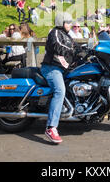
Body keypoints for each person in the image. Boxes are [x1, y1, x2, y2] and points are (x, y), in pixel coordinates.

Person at [41, 12, 78, 144]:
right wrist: (72, 50)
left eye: (70, 21)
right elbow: (57, 46)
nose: (70, 24)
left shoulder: (68, 36)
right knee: (60, 91)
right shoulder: (55, 32)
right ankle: (51, 127)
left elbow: (75, 47)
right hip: (51, 68)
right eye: (67, 21)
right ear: (61, 22)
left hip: (62, 69)